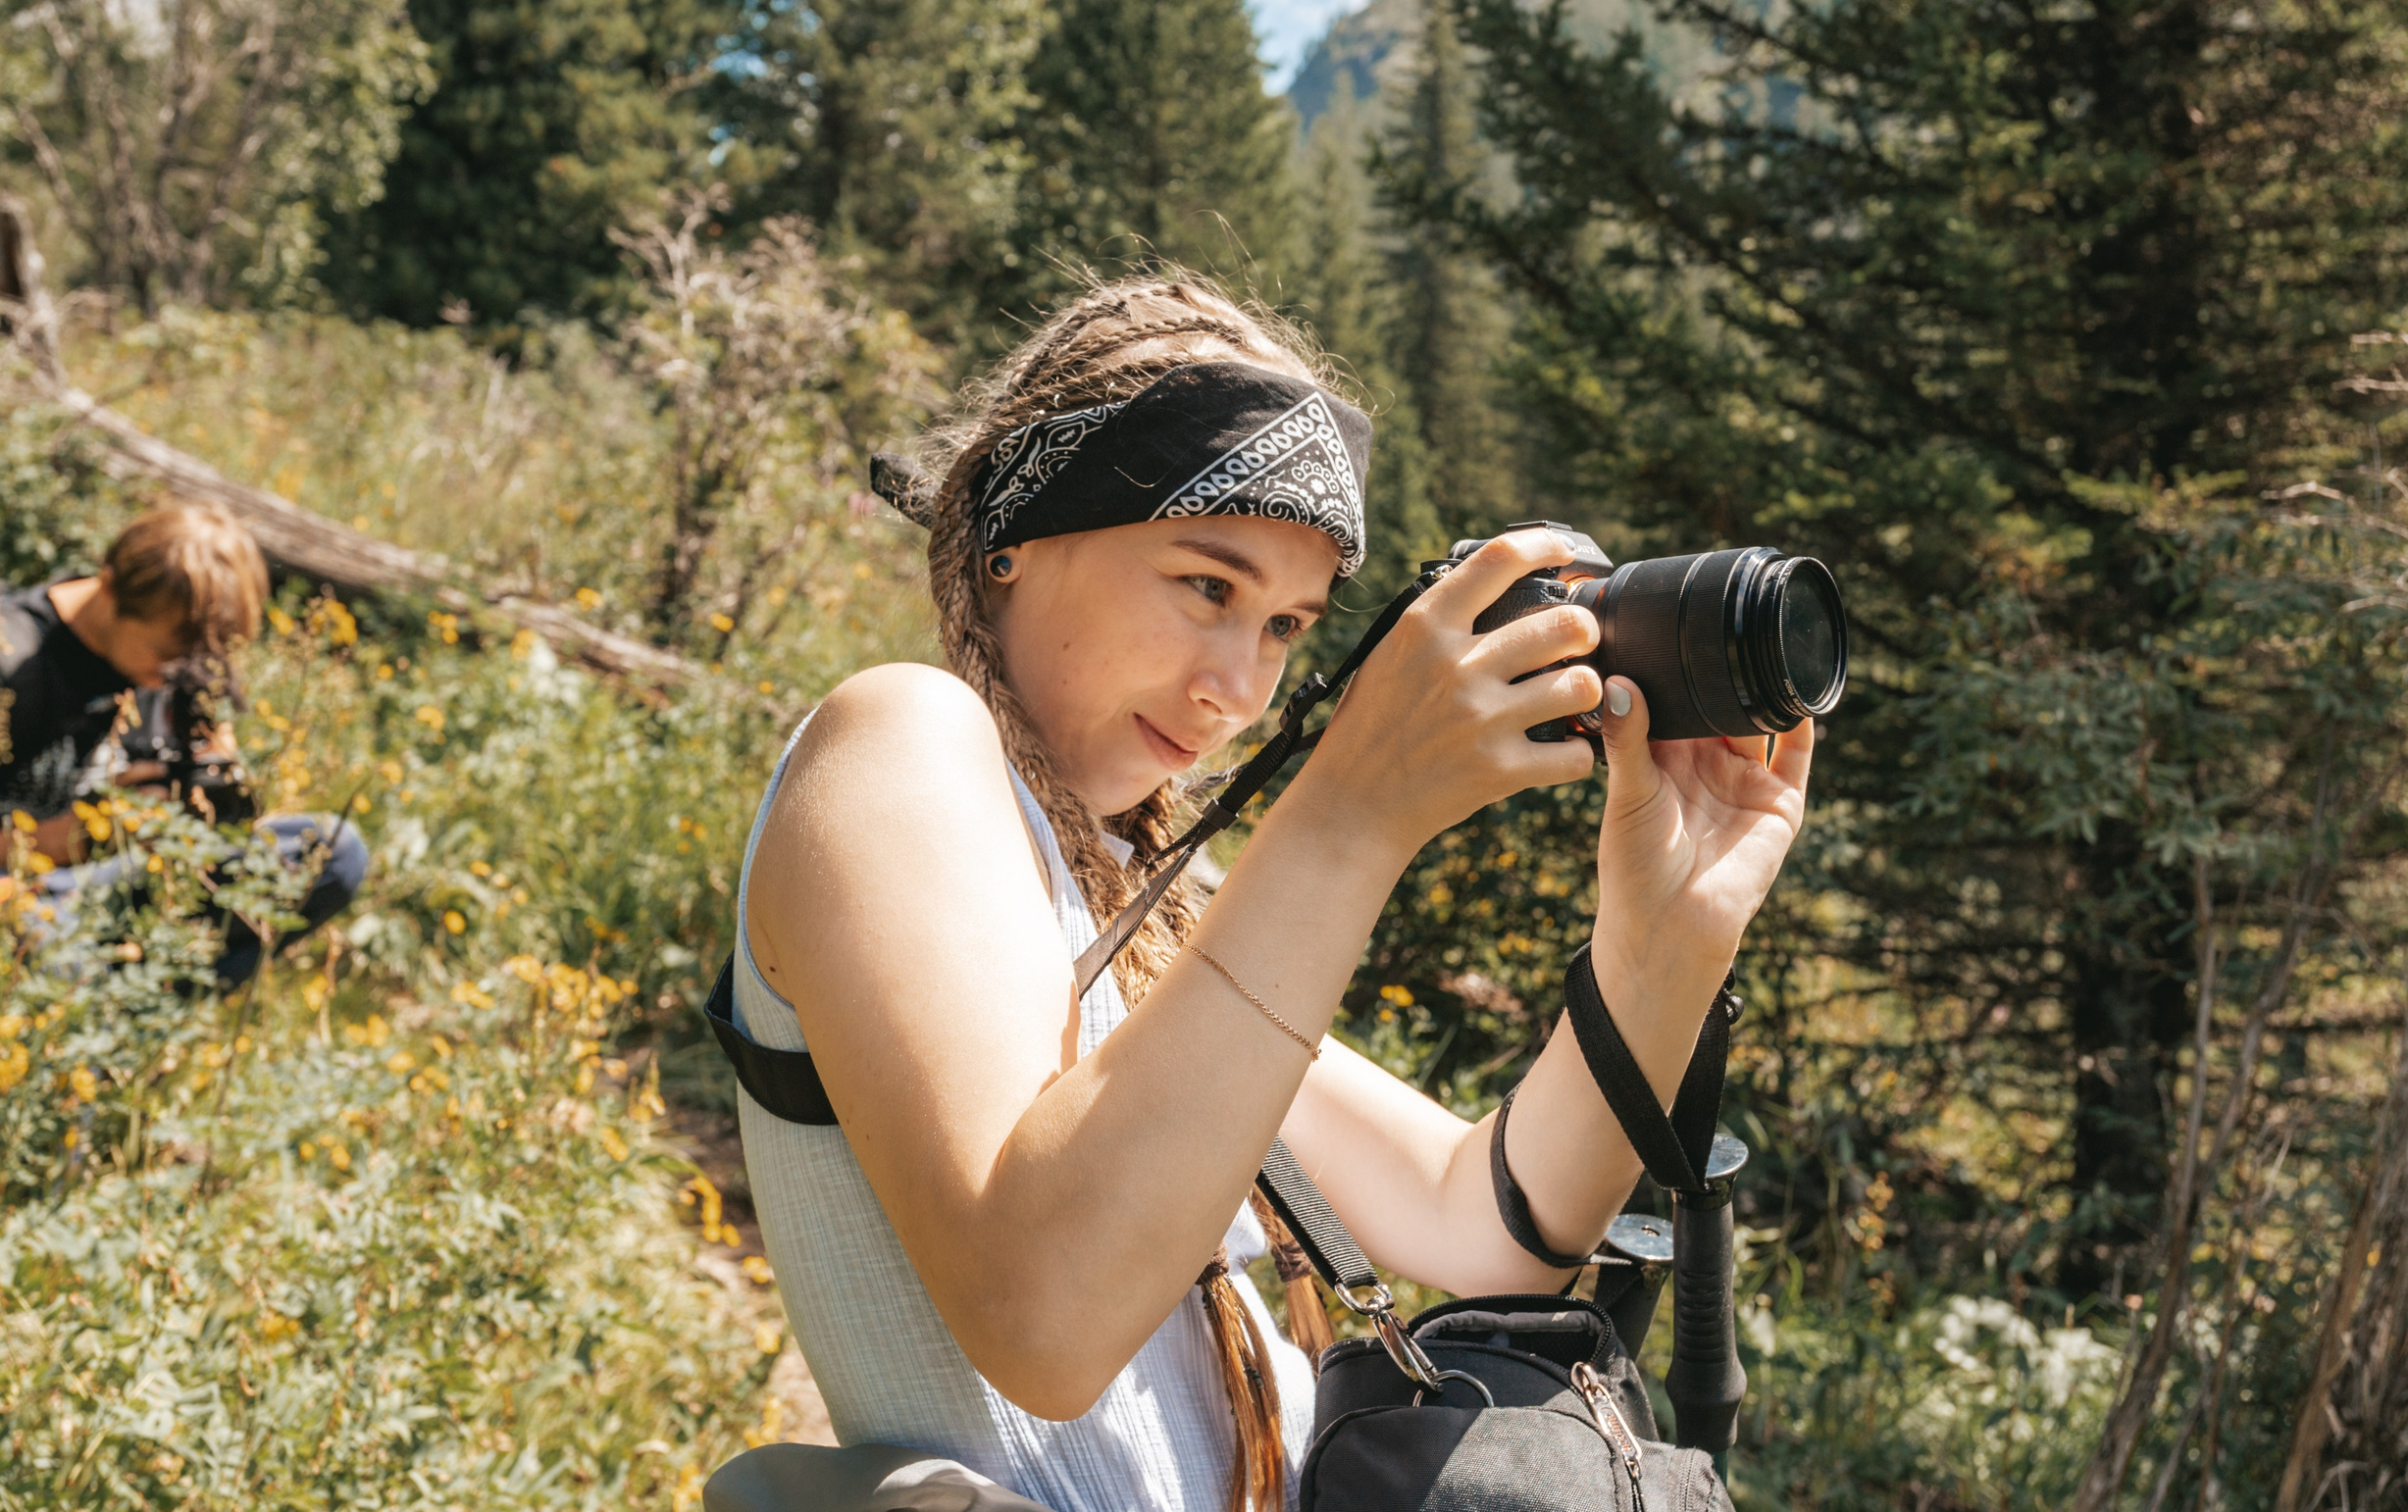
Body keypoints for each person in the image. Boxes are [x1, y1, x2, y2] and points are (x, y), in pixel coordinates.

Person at [714, 276, 1817, 1512]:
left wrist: (1669, 933)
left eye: (1288, 625)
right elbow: (1044, 1316)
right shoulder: (899, 741)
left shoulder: (1142, 898)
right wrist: (1350, 812)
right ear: (1011, 541)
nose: (1238, 689)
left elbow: (1486, 1220)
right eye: (1206, 587)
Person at [0, 504, 366, 983]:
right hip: (13, 885)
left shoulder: (182, 651)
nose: (174, 674)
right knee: (41, 945)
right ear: (109, 586)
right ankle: (98, 1019)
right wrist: (64, 839)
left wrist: (206, 794)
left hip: (133, 870)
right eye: (166, 656)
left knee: (331, 852)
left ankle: (142, 1004)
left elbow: (221, 782)